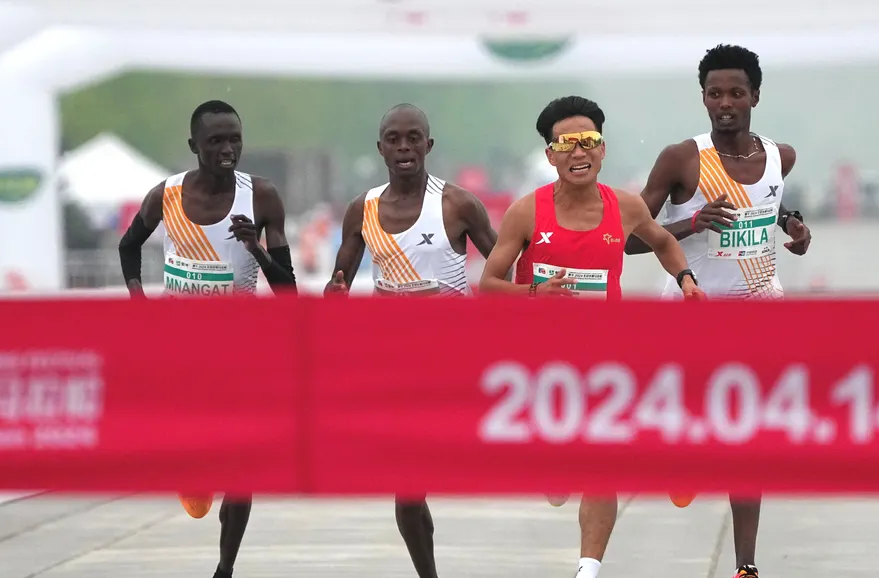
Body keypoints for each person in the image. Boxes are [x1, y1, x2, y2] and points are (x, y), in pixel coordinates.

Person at [478, 95, 704, 578]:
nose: (578, 153)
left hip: (606, 360)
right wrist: (536, 292)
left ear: (602, 150)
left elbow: (662, 240)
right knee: (558, 484)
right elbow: (489, 285)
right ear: (551, 155)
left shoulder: (624, 207)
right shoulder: (525, 212)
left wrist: (686, 280)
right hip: (543, 365)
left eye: (588, 142)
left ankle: (588, 569)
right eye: (567, 144)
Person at [624, 44, 813, 578]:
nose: (725, 103)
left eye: (736, 93)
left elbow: (769, 209)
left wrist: (793, 230)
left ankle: (746, 566)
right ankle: (683, 456)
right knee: (693, 419)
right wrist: (691, 225)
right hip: (693, 309)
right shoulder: (682, 158)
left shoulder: (782, 156)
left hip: (759, 310)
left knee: (748, 439)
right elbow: (629, 240)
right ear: (703, 98)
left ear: (755, 95)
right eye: (715, 93)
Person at [117, 99, 297, 578]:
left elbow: (289, 292)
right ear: (194, 145)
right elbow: (128, 244)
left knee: (243, 469)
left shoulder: (260, 197)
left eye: (235, 138)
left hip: (243, 357)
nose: (228, 149)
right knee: (197, 495)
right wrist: (139, 301)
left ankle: (225, 567)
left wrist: (255, 249)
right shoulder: (167, 195)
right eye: (216, 140)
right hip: (181, 359)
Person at [324, 103, 500, 578]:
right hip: (395, 366)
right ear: (380, 147)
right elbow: (336, 284)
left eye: (413, 138)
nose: (404, 147)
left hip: (453, 363)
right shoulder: (362, 209)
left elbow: (504, 268)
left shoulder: (457, 204)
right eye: (395, 139)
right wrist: (336, 292)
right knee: (407, 490)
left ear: (429, 144)